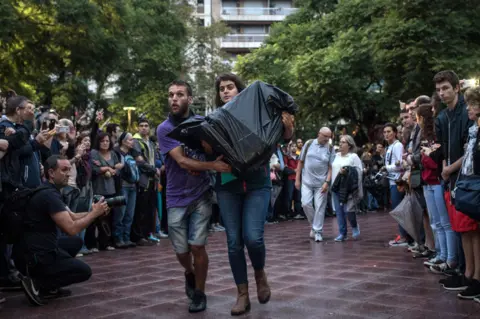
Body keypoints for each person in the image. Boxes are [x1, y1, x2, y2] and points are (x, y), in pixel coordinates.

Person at [213, 73, 294, 316]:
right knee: (234, 243)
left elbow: (283, 135)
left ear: (241, 91)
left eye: (230, 87)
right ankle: (242, 294)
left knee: (253, 238)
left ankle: (259, 273)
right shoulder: (214, 120)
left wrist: (288, 127)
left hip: (258, 183)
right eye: (222, 89)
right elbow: (207, 149)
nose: (226, 91)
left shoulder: (258, 114)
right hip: (228, 184)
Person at [157, 80, 231, 313]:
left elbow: (214, 150)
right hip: (176, 196)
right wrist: (210, 165)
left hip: (201, 193)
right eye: (171, 95)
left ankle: (199, 293)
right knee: (181, 251)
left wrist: (208, 152)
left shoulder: (201, 123)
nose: (174, 99)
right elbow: (181, 160)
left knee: (198, 246)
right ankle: (189, 272)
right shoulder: (164, 129)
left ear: (190, 99)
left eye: (180, 94)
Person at [16, 155, 109, 306]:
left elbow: (71, 217)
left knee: (75, 242)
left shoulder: (50, 191)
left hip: (30, 251)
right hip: (34, 258)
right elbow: (71, 228)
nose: (68, 173)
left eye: (69, 170)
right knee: (84, 271)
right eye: (64, 170)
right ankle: (38, 283)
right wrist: (93, 214)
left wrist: (96, 212)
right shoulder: (49, 195)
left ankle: (51, 285)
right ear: (51, 173)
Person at [434, 70, 474, 290]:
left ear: (456, 88)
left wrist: (449, 168)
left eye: (446, 88)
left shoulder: (465, 112)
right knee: (456, 225)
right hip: (449, 177)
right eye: (439, 90)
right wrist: (444, 169)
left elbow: (468, 147)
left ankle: (469, 272)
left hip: (466, 175)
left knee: (468, 227)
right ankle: (461, 270)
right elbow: (440, 146)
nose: (442, 93)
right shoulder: (441, 117)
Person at [415, 104, 457, 273]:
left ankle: (451, 258)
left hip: (437, 180)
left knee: (445, 222)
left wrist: (426, 156)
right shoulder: (425, 137)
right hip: (427, 182)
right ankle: (441, 253)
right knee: (436, 222)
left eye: (418, 117)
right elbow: (425, 158)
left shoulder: (435, 136)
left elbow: (433, 160)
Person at [295, 127, 334, 242]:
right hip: (306, 182)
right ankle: (314, 226)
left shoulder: (330, 148)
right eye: (325, 136)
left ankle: (318, 232)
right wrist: (297, 179)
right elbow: (300, 162)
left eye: (329, 137)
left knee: (320, 207)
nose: (327, 139)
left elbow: (331, 167)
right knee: (305, 204)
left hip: (321, 184)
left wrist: (327, 182)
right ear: (319, 134)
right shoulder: (308, 144)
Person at [91, 132, 123, 251]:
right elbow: (93, 170)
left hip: (112, 189)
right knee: (97, 217)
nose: (105, 143)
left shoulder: (113, 154)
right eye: (102, 141)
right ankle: (94, 244)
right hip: (98, 189)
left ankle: (107, 242)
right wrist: (106, 168)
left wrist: (114, 170)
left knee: (109, 217)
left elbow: (117, 170)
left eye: (107, 141)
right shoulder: (94, 153)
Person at [331, 135, 363, 241]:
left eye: (343, 142)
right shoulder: (335, 156)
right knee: (339, 212)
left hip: (348, 188)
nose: (340, 144)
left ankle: (354, 226)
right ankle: (342, 233)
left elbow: (359, 171)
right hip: (336, 187)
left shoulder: (353, 156)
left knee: (349, 211)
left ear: (349, 145)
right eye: (340, 142)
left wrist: (348, 171)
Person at [382, 123, 409, 246]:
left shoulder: (397, 146)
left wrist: (386, 168)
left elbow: (400, 165)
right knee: (397, 209)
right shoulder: (390, 147)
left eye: (389, 131)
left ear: (395, 132)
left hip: (397, 181)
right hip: (392, 180)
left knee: (399, 210)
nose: (386, 134)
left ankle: (404, 237)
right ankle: (403, 234)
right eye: (385, 132)